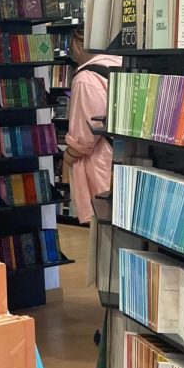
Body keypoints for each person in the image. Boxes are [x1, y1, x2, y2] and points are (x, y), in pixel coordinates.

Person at [63, 28, 122, 224]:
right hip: (124, 159)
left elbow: (85, 135)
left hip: (102, 164)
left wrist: (68, 156)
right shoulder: (122, 64)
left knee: (103, 231)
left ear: (80, 46)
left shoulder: (86, 78)